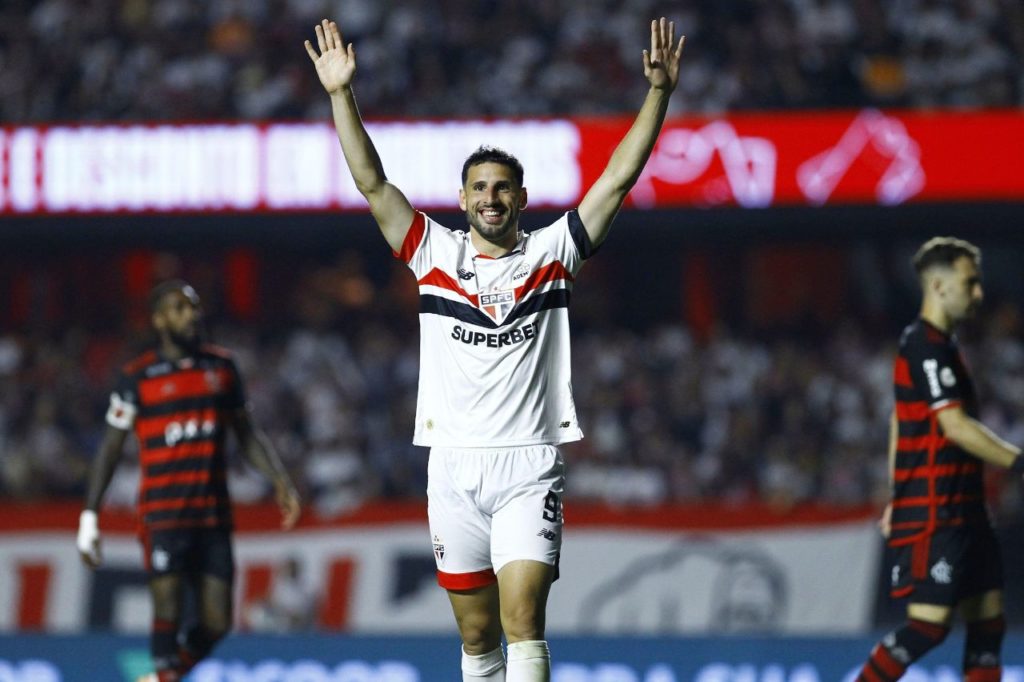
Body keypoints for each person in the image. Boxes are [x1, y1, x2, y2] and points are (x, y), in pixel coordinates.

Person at [305, 15, 684, 682]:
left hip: (528, 465)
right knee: (478, 637)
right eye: (478, 187)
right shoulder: (433, 253)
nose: (490, 197)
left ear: (521, 199)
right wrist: (341, 95)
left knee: (521, 621)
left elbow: (616, 182)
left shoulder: (551, 252)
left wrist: (657, 94)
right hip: (451, 466)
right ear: (461, 199)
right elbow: (372, 184)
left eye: (501, 187)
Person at [76, 280, 301, 682]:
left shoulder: (221, 367)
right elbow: (111, 448)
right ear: (160, 319)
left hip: (213, 517)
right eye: (179, 308)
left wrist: (279, 480)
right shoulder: (137, 377)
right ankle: (163, 675)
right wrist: (89, 515)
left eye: (194, 307)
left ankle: (163, 676)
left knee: (217, 622)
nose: (191, 315)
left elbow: (246, 433)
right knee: (169, 608)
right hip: (163, 514)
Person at [856, 237, 1024, 681]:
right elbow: (955, 426)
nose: (978, 293)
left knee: (988, 626)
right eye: (970, 282)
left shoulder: (944, 348)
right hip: (936, 514)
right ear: (937, 284)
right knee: (928, 627)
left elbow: (901, 419)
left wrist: (895, 493)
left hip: (966, 510)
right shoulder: (924, 345)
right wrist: (1018, 461)